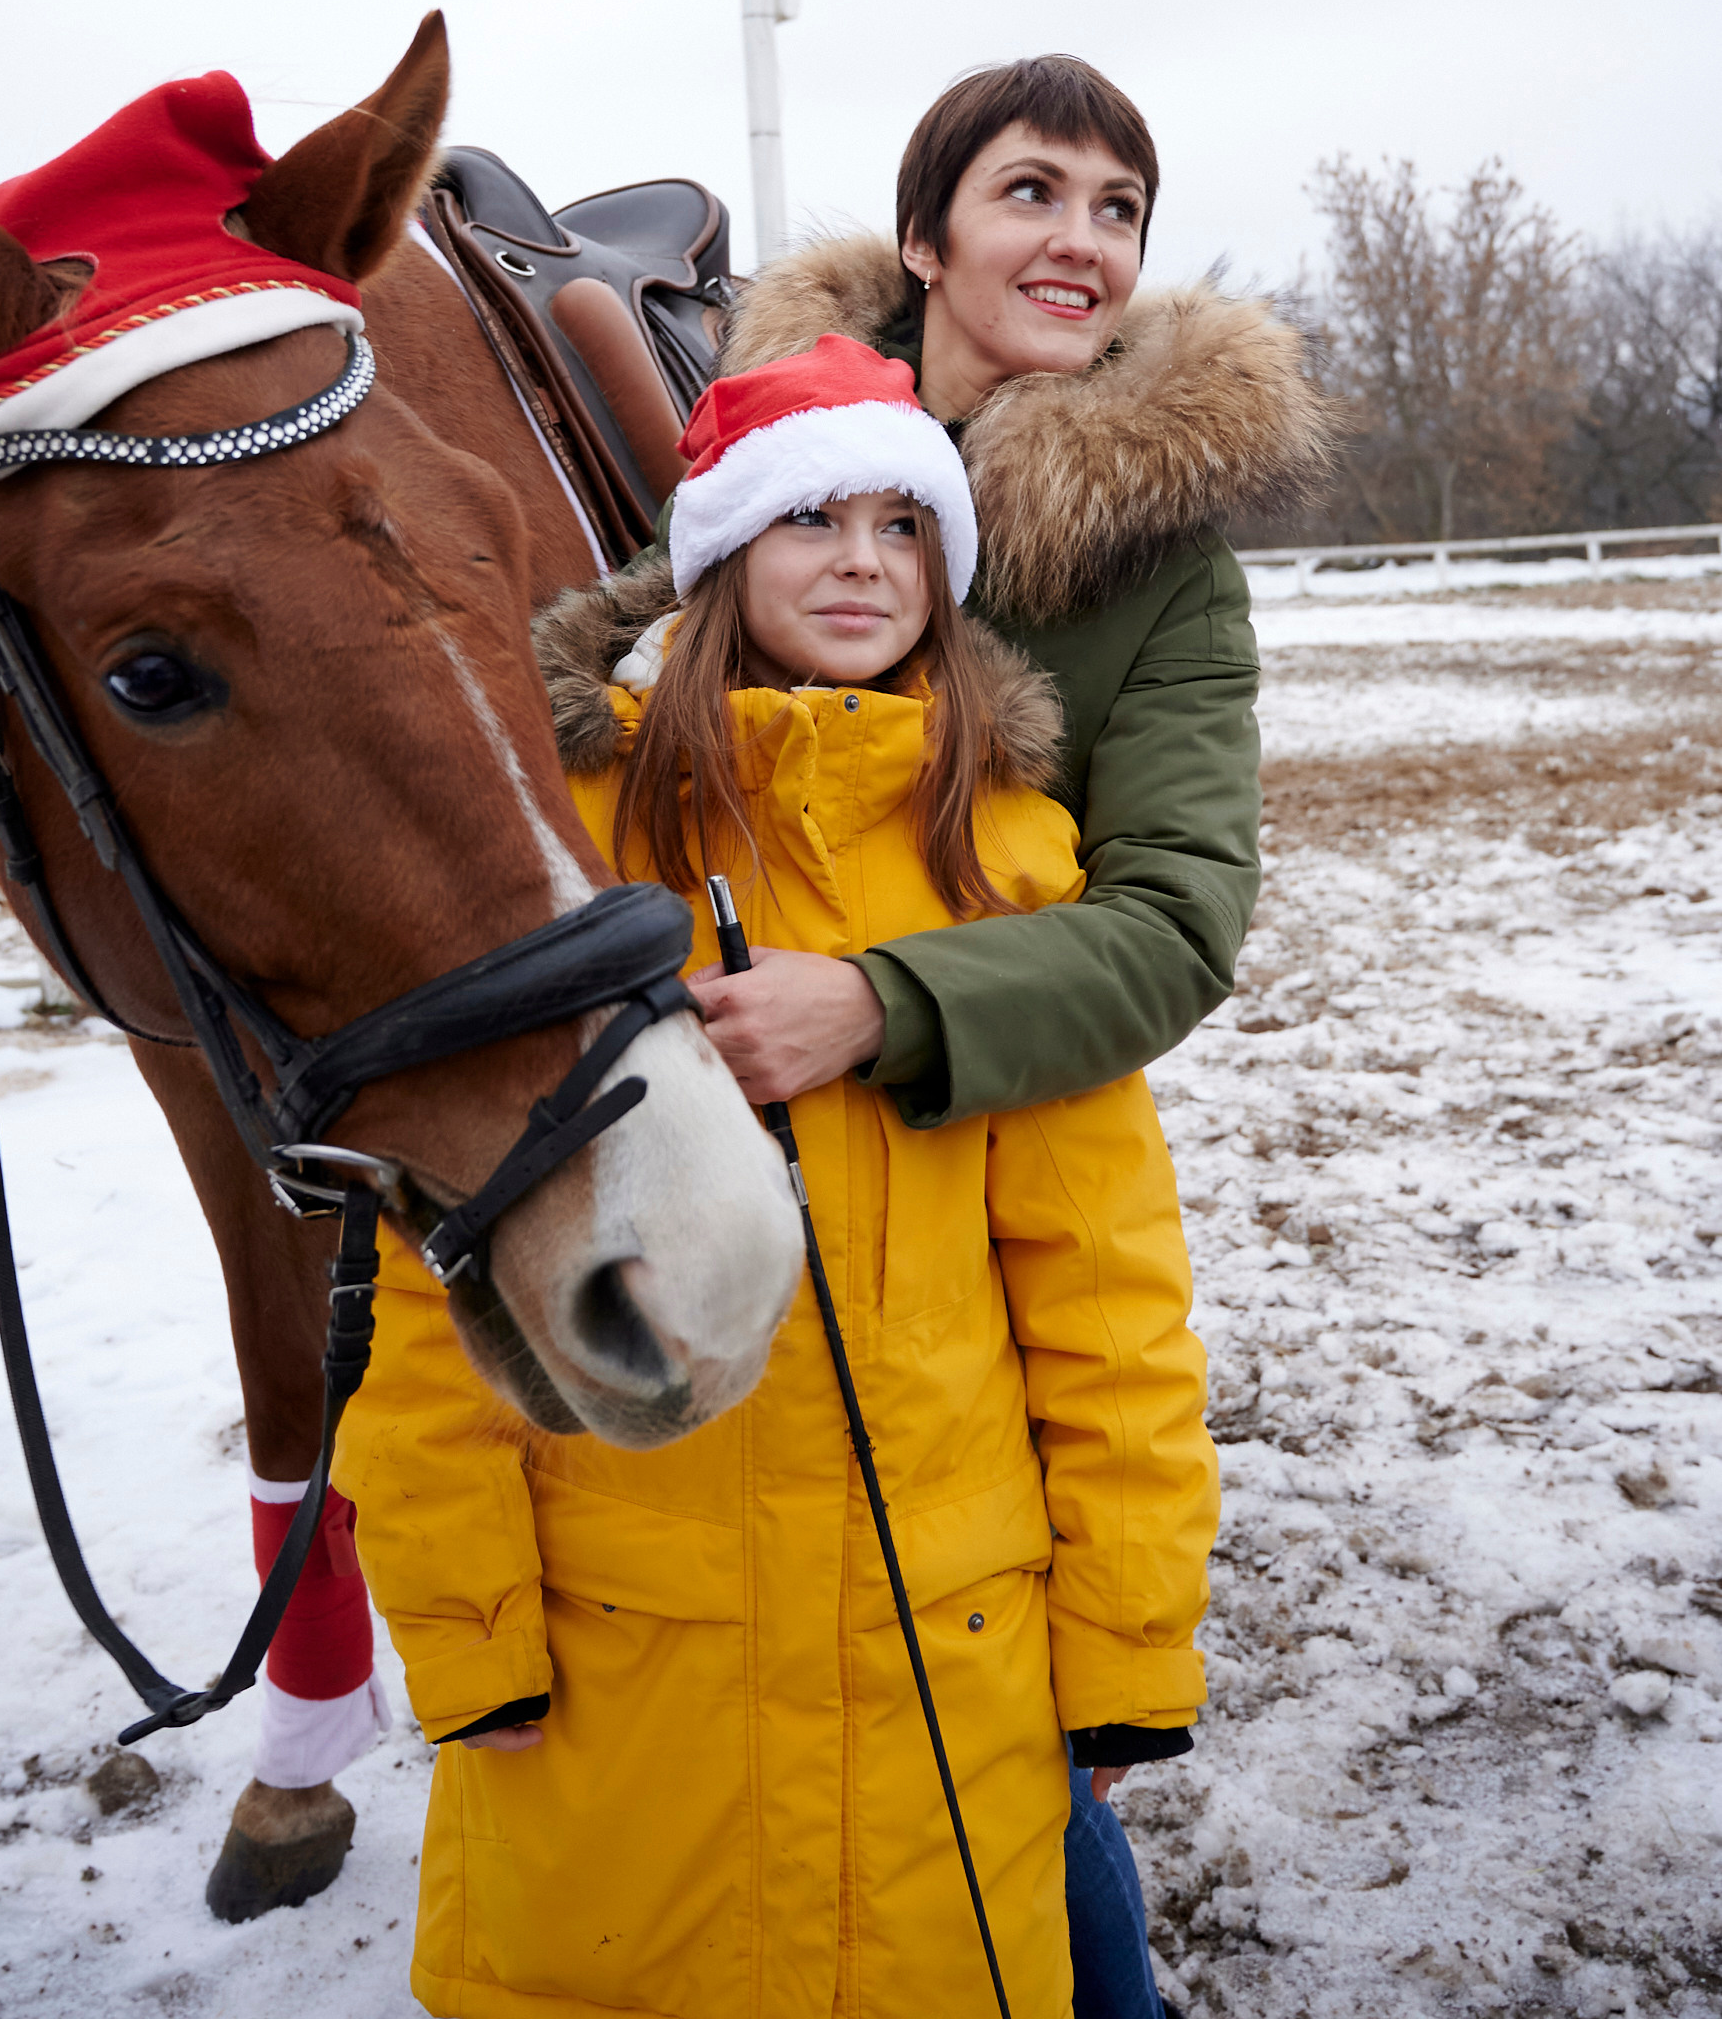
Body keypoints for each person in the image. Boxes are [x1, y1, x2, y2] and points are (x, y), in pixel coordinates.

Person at [335, 337, 1218, 2019]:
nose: (865, 561)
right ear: (722, 551)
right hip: (620, 1660)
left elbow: (1104, 1294)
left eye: (905, 525)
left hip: (942, 1663)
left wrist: (1122, 1645)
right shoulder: (561, 849)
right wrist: (468, 1629)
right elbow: (429, 1280)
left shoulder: (1010, 864)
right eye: (814, 517)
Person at [603, 56, 1324, 2014]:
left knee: (974, 1693)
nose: (1080, 241)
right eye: (1034, 192)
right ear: (926, 236)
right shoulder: (744, 449)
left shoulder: (1160, 560)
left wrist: (885, 1004)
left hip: (981, 1157)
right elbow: (603, 686)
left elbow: (1175, 919)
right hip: (713, 1151)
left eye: (1119, 207)